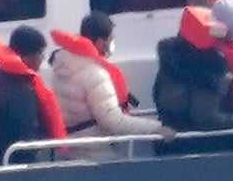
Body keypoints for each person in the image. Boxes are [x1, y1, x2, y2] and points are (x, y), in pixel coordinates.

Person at [48, 13, 162, 150]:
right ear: (102, 42)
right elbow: (113, 121)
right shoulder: (95, 74)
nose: (112, 43)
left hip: (70, 148)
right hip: (94, 151)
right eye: (111, 39)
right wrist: (158, 128)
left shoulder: (62, 66)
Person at [154, 0, 233, 137]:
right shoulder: (216, 61)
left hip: (171, 135)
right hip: (208, 141)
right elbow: (206, 117)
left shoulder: (174, 48)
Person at [0, 25, 63, 165]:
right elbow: (26, 135)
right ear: (30, 55)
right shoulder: (23, 89)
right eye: (40, 52)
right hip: (12, 164)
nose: (42, 58)